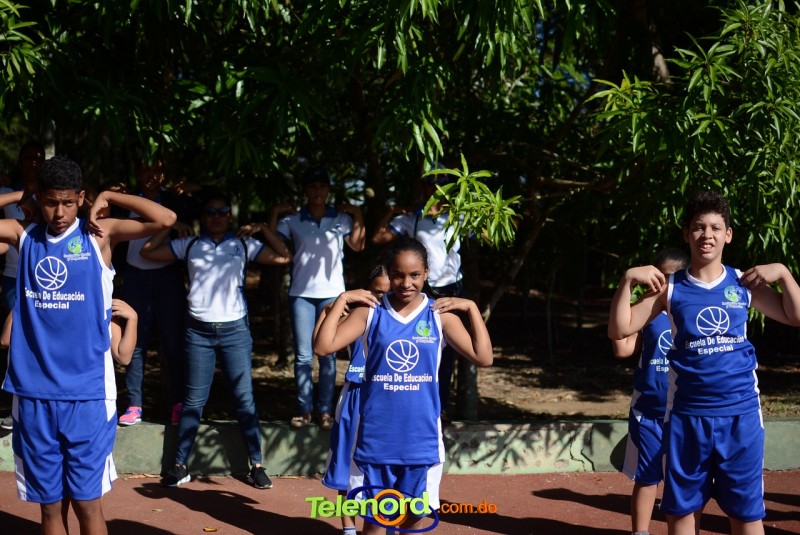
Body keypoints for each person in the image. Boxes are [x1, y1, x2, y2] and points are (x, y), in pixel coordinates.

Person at [0, 155, 176, 535]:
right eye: (50, 202)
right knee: (49, 511)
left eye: (68, 202)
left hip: (89, 393)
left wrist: (109, 195)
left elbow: (166, 219)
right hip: (33, 393)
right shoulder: (23, 234)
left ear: (81, 198)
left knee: (87, 505)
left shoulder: (99, 234)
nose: (59, 212)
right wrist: (19, 196)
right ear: (40, 198)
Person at [608, 190, 800, 535]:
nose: (706, 235)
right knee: (682, 514)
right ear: (687, 234)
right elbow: (619, 329)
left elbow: (795, 316)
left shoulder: (744, 283)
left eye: (715, 227)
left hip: (740, 416)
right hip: (686, 417)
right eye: (698, 227)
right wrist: (627, 280)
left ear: (728, 234)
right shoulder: (670, 288)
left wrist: (785, 274)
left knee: (746, 515)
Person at [314, 237, 493, 534]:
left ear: (426, 273)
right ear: (389, 273)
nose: (406, 283)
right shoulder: (370, 312)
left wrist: (472, 308)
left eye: (415, 275)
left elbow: (484, 357)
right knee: (376, 522)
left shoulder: (439, 316)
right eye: (398, 275)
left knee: (413, 520)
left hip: (421, 439)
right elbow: (322, 347)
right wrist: (343, 299)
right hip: (376, 439)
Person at [142, 189, 292, 489]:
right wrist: (170, 226)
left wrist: (263, 228)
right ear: (203, 217)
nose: (216, 217)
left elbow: (284, 255)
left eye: (222, 212)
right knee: (193, 402)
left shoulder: (243, 244)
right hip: (198, 333)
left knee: (244, 399)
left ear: (230, 217)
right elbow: (148, 251)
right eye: (210, 212)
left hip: (235, 332)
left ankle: (256, 465)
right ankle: (180, 466)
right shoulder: (190, 244)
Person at [270, 165, 365, 430]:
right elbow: (274, 243)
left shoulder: (341, 219)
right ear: (305, 190)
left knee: (328, 355)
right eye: (312, 186)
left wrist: (357, 214)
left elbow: (358, 245)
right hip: (301, 294)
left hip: (334, 296)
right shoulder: (292, 220)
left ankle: (325, 411)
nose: (317, 191)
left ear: (328, 189)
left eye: (322, 186)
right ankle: (304, 410)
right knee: (303, 356)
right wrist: (274, 213)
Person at [372, 169, 463, 419]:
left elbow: (491, 235)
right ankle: (415, 404)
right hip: (422, 288)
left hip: (450, 287)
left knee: (447, 351)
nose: (435, 189)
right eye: (430, 184)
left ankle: (440, 407)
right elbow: (378, 237)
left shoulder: (458, 216)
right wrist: (392, 211)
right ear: (423, 187)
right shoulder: (412, 218)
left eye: (441, 184)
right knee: (420, 347)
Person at [611, 248, 689, 535]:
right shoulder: (645, 308)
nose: (665, 283)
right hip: (649, 410)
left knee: (681, 482)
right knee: (646, 478)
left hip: (684, 411)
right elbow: (622, 348)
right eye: (661, 276)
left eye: (673, 277)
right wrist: (627, 288)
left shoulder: (691, 307)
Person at [118, 160, 199, 427]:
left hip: (168, 277)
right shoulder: (127, 200)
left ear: (164, 175)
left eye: (157, 170)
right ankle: (134, 405)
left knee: (173, 343)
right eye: (146, 169)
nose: (151, 175)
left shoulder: (175, 201)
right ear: (138, 172)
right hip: (135, 277)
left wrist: (190, 189)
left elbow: (209, 199)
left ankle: (177, 405)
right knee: (136, 343)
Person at [314, 264, 390, 535]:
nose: (382, 298)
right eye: (377, 292)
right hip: (355, 396)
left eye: (388, 293)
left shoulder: (403, 319)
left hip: (388, 398)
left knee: (385, 466)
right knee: (346, 464)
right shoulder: (357, 316)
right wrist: (329, 310)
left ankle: (383, 522)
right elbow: (320, 346)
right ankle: (348, 527)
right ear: (365, 291)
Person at [0, 142, 44, 431]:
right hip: (13, 278)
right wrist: (21, 195)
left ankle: (34, 403)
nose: (33, 162)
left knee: (38, 341)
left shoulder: (52, 194)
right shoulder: (8, 193)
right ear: (20, 162)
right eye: (28, 157)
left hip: (44, 281)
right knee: (14, 340)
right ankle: (14, 405)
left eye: (39, 158)